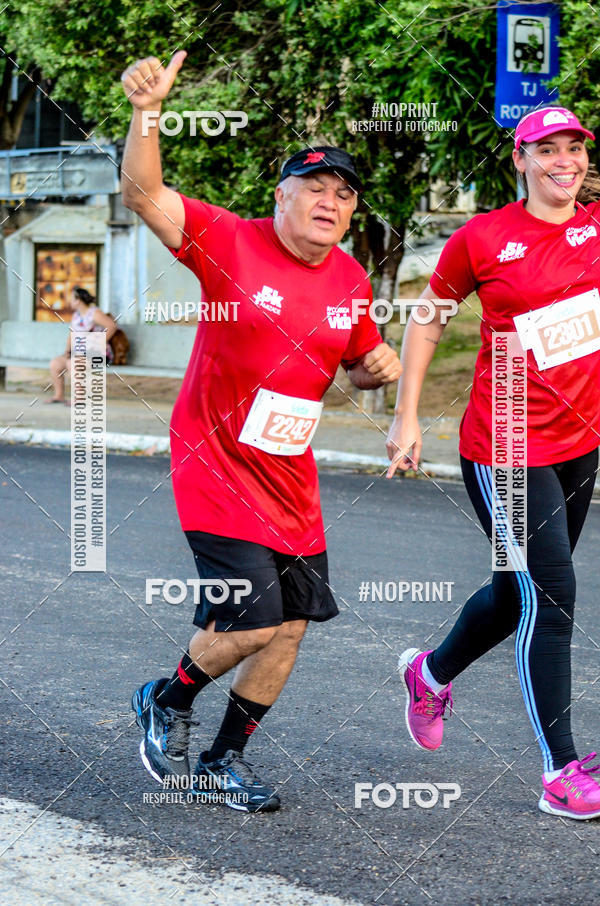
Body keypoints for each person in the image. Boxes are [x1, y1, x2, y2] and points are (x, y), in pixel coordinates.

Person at [120, 51, 402, 813]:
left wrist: (377, 366)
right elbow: (143, 193)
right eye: (315, 186)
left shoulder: (350, 279)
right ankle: (165, 699)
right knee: (250, 623)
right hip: (213, 463)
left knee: (291, 628)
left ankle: (223, 759)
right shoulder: (230, 239)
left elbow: (357, 365)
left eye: (343, 193)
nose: (330, 201)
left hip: (289, 476)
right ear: (281, 195)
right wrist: (148, 111)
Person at [387, 105, 600, 820]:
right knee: (554, 593)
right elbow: (428, 318)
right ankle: (560, 772)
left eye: (574, 148)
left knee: (518, 594)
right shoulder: (483, 238)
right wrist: (407, 416)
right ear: (520, 158)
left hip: (580, 441)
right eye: (548, 149)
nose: (564, 161)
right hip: (506, 440)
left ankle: (430, 673)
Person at [46, 286, 116, 403]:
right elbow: (71, 334)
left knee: (73, 363)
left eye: (72, 299)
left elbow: (112, 326)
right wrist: (67, 351)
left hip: (98, 355)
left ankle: (79, 398)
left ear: (78, 300)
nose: (70, 301)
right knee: (55, 364)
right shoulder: (76, 315)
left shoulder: (94, 313)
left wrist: (99, 342)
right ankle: (59, 395)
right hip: (79, 353)